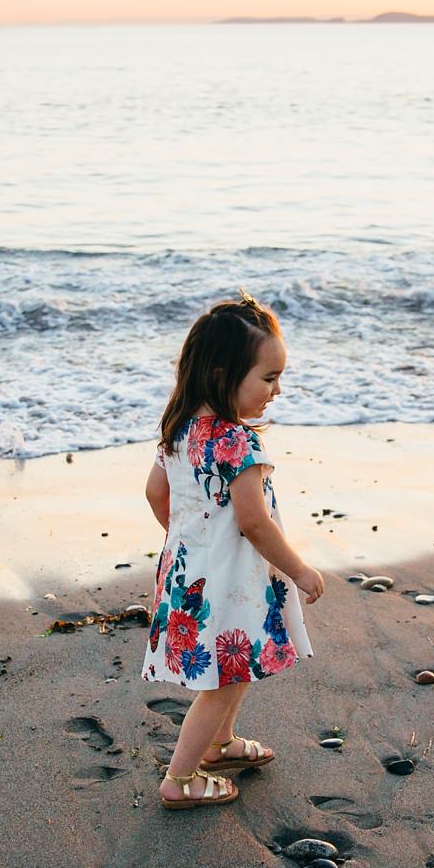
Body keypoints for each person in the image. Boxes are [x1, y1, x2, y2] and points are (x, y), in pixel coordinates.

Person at [142, 293, 324, 809]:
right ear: (224, 375)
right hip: (230, 583)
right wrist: (300, 570)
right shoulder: (240, 445)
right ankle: (179, 780)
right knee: (222, 681)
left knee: (236, 667)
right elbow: (254, 523)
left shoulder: (178, 432)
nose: (277, 390)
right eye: (268, 378)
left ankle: (219, 746)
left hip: (189, 573)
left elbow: (157, 494)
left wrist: (188, 540)